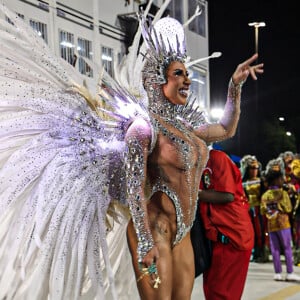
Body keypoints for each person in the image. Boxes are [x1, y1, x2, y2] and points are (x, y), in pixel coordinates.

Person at [0, 4, 264, 300]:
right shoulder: (142, 129)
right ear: (159, 80)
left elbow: (227, 128)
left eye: (187, 73)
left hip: (183, 234)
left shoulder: (189, 129)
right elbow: (136, 187)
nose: (187, 80)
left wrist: (234, 87)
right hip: (154, 230)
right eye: (179, 73)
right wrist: (144, 241)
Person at [197, 149, 254, 300]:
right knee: (211, 291)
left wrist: (193, 193)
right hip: (218, 238)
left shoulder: (216, 157)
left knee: (220, 294)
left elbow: (227, 195)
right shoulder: (198, 162)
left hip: (230, 237)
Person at [260, 167, 300, 282]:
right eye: (281, 178)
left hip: (271, 225)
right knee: (287, 248)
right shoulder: (283, 193)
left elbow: (263, 210)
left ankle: (277, 273)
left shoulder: (265, 195)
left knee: (275, 249)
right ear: (276, 180)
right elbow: (288, 208)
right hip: (283, 224)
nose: (283, 180)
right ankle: (289, 272)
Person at [241, 154, 268, 262]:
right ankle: (252, 252)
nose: (254, 170)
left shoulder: (261, 180)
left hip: (259, 209)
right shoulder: (244, 182)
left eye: (256, 168)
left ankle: (261, 253)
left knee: (260, 231)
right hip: (247, 210)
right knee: (249, 232)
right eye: (252, 168)